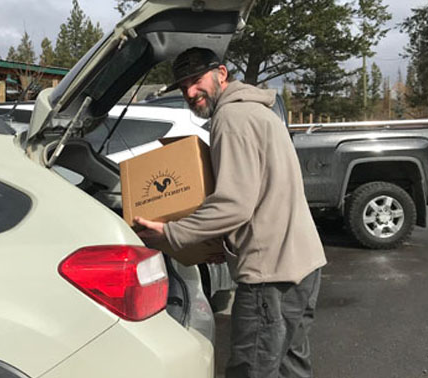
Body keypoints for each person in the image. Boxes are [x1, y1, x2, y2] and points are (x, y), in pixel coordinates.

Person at [135, 47, 327, 378]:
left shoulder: (231, 118)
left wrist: (173, 234)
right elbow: (263, 197)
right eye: (183, 87)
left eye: (196, 81)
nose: (190, 93)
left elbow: (234, 203)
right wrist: (225, 247)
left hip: (271, 277)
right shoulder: (258, 112)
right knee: (290, 368)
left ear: (221, 74)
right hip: (302, 266)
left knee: (250, 369)